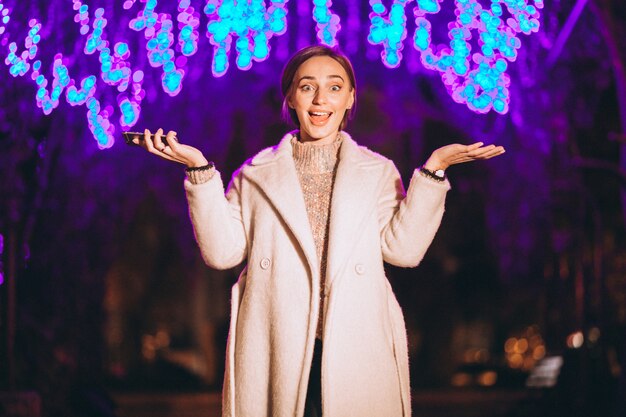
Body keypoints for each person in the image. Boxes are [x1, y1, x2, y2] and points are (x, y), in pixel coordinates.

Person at [133, 45, 504, 417]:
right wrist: (199, 172)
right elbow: (222, 253)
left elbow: (403, 251)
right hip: (279, 348)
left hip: (356, 350)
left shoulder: (377, 173)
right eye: (307, 87)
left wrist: (434, 170)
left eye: (334, 87)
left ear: (350, 98)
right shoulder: (255, 175)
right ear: (291, 98)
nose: (320, 99)